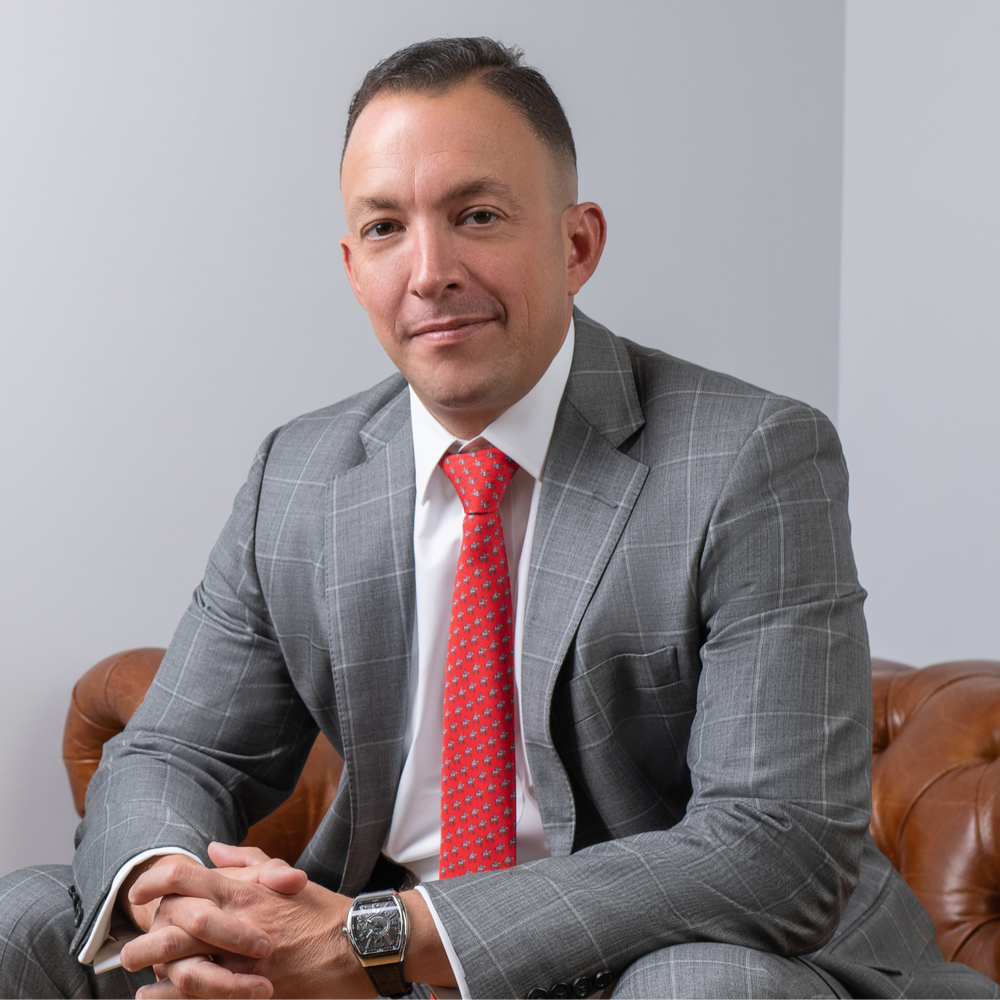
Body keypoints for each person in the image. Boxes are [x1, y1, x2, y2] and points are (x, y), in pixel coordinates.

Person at [1, 36, 997, 1000]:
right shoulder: (298, 476)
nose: (428, 270)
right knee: (32, 917)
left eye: (476, 215)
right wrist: (175, 895)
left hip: (666, 951)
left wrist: (372, 940)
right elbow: (176, 752)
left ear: (576, 244)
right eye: (385, 229)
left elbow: (773, 847)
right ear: (352, 267)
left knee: (698, 985)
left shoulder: (751, 457)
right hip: (378, 952)